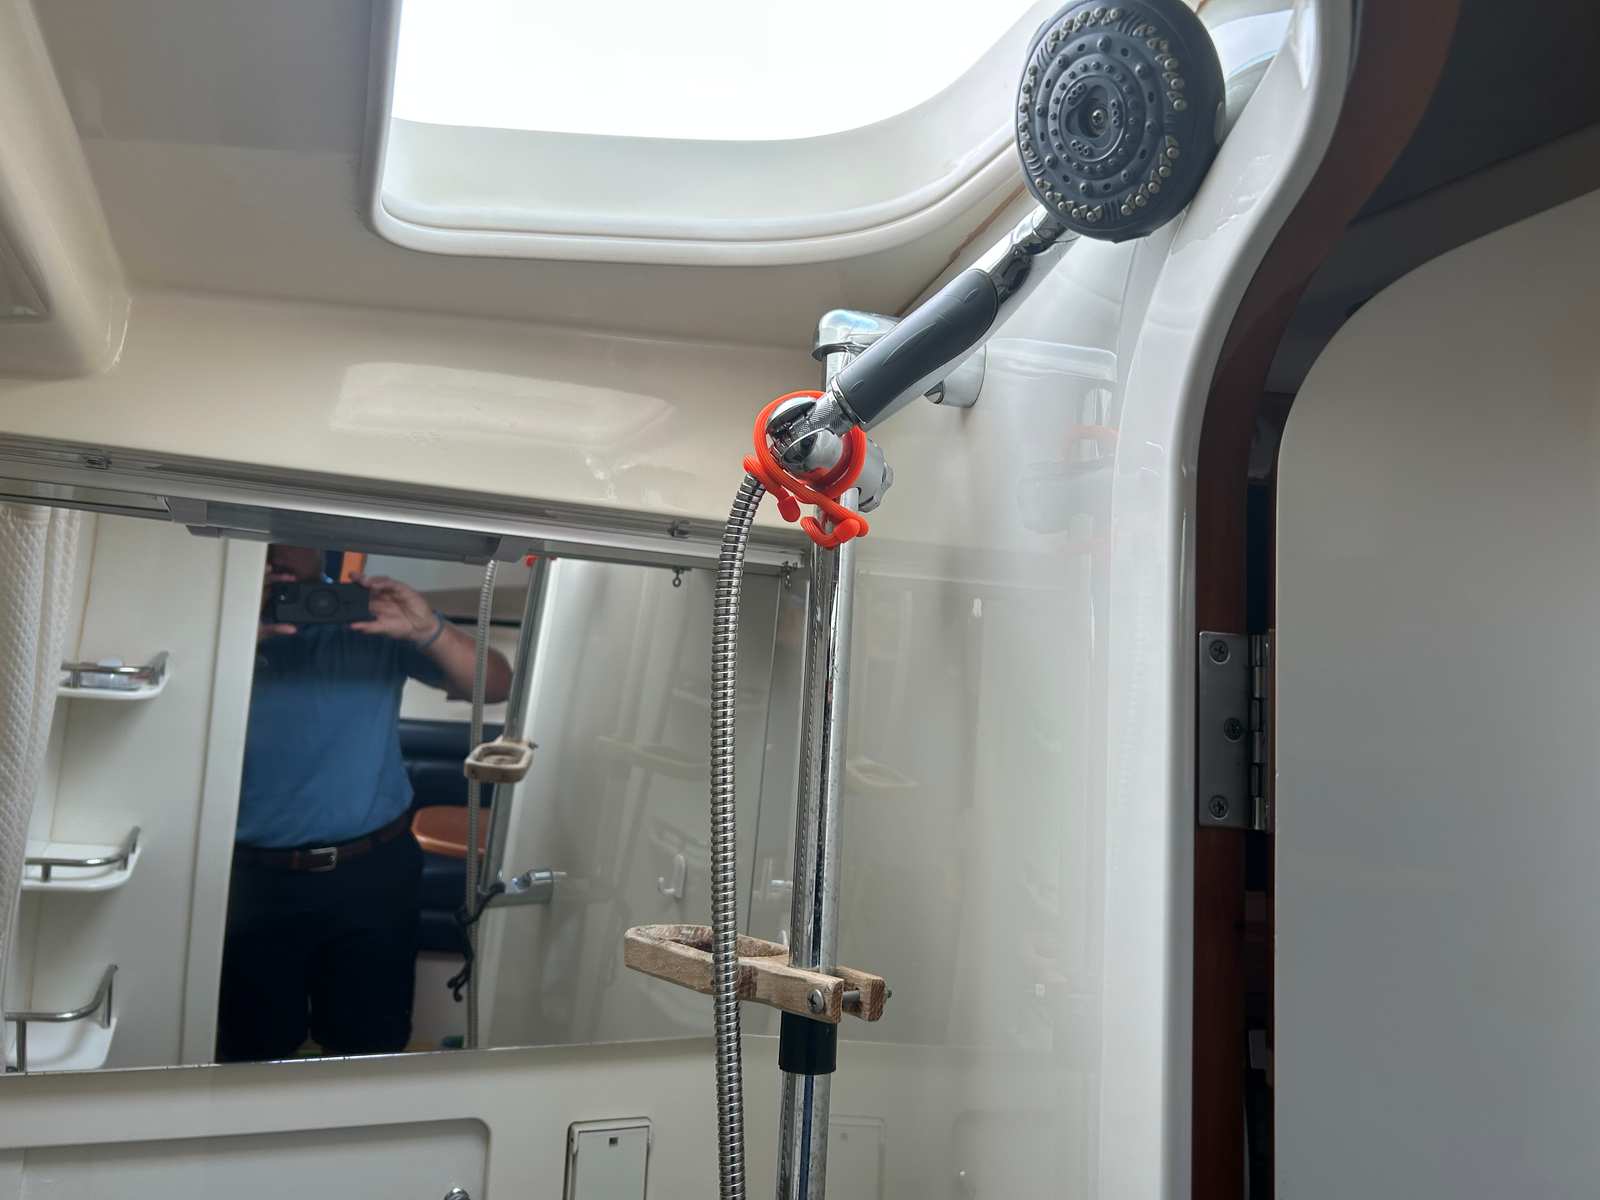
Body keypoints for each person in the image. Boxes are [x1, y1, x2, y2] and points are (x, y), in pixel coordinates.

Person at [217, 545, 511, 1061]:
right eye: (267, 533)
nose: (279, 548)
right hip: (245, 879)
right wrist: (231, 637)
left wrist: (429, 630)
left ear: (323, 543)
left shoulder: (369, 615)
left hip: (371, 872)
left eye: (296, 533)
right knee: (250, 1050)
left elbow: (496, 685)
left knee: (371, 1044)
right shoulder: (214, 618)